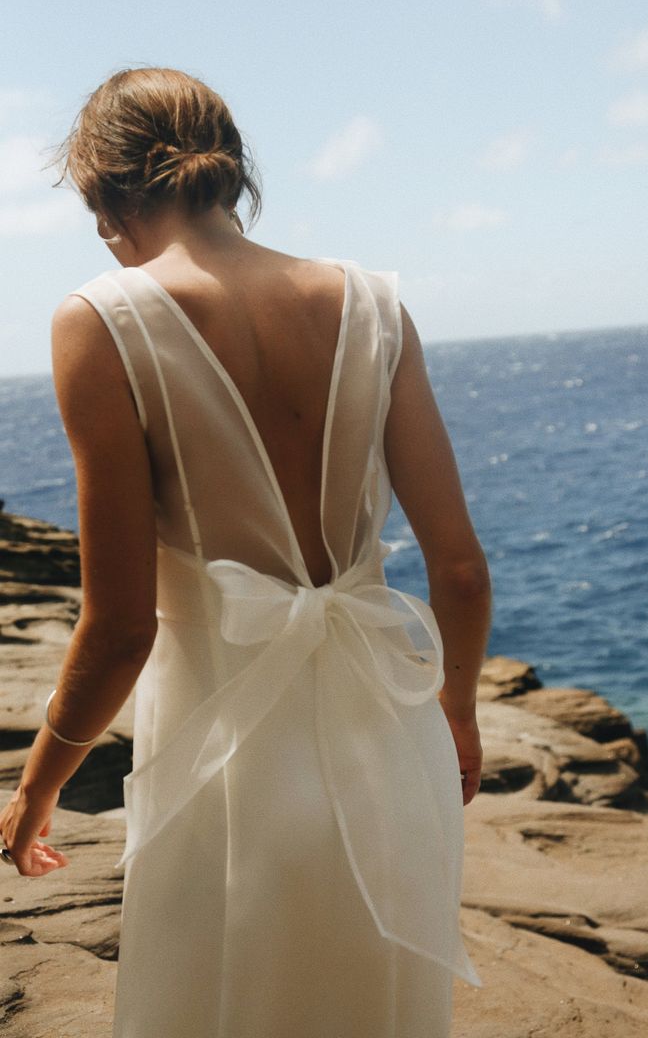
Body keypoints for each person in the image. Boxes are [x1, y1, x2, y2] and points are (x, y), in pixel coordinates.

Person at [0, 66, 492, 1036]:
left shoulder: (100, 322)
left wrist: (36, 786)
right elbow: (462, 570)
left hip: (224, 773)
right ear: (229, 173)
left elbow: (120, 628)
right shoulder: (375, 307)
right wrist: (459, 717)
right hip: (391, 756)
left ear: (108, 195)